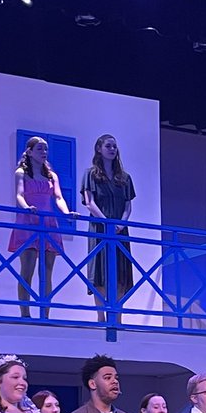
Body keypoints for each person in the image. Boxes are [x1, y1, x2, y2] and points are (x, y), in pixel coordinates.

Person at [9, 137, 72, 319]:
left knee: (47, 271)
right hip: (28, 222)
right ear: (29, 152)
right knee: (27, 269)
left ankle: (45, 313)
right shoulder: (21, 172)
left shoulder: (52, 176)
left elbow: (58, 197)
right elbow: (19, 195)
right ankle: (25, 313)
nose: (44, 152)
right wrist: (27, 207)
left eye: (45, 149)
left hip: (48, 223)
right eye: (39, 149)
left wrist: (66, 213)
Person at [81, 134, 136, 316]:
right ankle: (101, 316)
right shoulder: (90, 174)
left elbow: (128, 205)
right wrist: (106, 222)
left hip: (120, 230)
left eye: (114, 146)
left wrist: (120, 223)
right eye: (108, 146)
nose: (112, 149)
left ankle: (117, 316)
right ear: (99, 148)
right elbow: (89, 202)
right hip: (100, 228)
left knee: (121, 271)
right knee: (100, 271)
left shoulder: (125, 178)